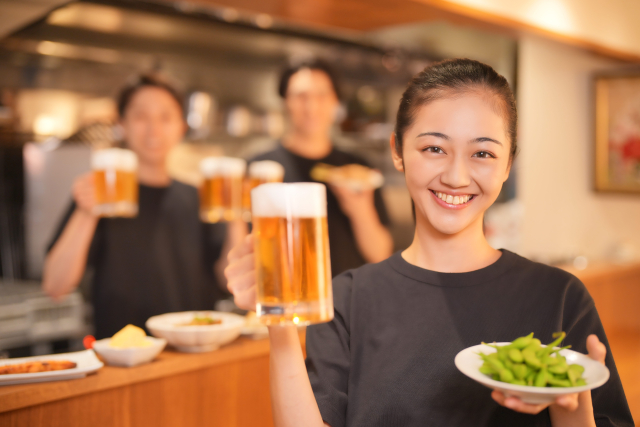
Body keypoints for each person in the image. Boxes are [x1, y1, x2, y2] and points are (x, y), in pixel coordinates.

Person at [225, 59, 633, 426]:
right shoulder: (346, 299)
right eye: (434, 148)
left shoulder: (560, 298)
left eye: (483, 154)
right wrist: (277, 319)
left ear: (509, 163)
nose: (456, 177)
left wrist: (571, 407)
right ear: (398, 151)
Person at [43, 74, 239, 339]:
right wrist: (85, 213)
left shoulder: (199, 199)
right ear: (121, 124)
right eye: (141, 117)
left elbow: (230, 282)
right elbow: (56, 286)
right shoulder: (100, 196)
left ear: (181, 127)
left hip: (192, 351)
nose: (153, 129)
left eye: (165, 117)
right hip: (123, 358)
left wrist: (237, 214)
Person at [250, 60, 393, 276]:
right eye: (300, 96)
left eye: (322, 95)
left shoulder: (358, 170)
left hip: (348, 303)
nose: (311, 107)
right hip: (283, 297)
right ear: (284, 102)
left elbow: (381, 255)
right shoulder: (259, 171)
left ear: (336, 101)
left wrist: (360, 211)